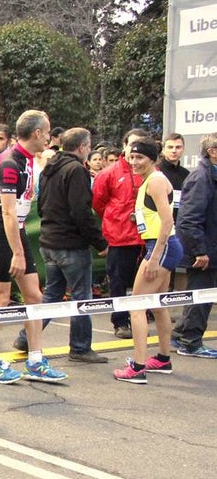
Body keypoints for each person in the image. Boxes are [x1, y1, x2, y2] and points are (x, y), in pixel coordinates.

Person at [0, 110, 67, 385]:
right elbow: (6, 212)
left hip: (15, 230)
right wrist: (16, 252)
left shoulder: (29, 161)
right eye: (49, 131)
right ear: (38, 133)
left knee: (34, 296)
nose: (51, 138)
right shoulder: (10, 162)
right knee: (1, 298)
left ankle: (36, 359)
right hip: (0, 232)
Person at [34, 128, 110, 363]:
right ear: (82, 147)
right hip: (70, 244)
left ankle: (26, 338)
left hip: (49, 241)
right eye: (89, 147)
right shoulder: (76, 170)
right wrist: (99, 242)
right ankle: (80, 347)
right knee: (82, 296)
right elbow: (81, 211)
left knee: (52, 294)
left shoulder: (49, 167)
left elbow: (41, 204)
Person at [113, 140, 183, 383]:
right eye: (131, 158)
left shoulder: (154, 181)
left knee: (137, 305)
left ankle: (138, 367)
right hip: (162, 246)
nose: (134, 162)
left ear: (152, 159)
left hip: (161, 247)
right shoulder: (152, 180)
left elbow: (167, 222)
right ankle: (163, 359)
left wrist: (154, 258)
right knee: (157, 304)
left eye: (140, 158)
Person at [94, 129, 152, 339]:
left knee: (145, 280)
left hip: (146, 237)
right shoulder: (109, 173)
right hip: (119, 236)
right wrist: (115, 218)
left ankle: (141, 317)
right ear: (124, 146)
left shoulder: (151, 173)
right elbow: (98, 203)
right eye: (132, 145)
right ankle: (120, 322)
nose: (135, 151)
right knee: (118, 281)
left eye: (140, 146)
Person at [171, 133, 217, 358]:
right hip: (203, 251)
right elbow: (189, 218)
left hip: (209, 247)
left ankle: (181, 333)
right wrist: (200, 250)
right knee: (201, 296)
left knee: (200, 296)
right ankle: (190, 342)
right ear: (213, 151)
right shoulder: (201, 178)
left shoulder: (211, 176)